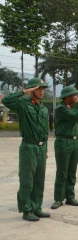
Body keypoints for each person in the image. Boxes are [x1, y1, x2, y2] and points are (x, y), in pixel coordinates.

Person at [3, 78, 50, 221]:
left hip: (41, 147)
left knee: (39, 181)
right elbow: (6, 101)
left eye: (43, 88)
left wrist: (45, 149)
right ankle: (26, 209)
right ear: (31, 90)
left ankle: (37, 207)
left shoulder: (43, 108)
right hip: (28, 147)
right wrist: (24, 92)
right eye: (38, 88)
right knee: (27, 180)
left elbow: (45, 131)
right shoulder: (23, 104)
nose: (42, 91)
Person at [51, 86, 78, 209]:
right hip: (64, 142)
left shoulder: (70, 108)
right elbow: (76, 116)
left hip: (75, 142)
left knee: (72, 171)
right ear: (67, 97)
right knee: (62, 172)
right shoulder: (61, 109)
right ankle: (58, 198)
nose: (77, 97)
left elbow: (77, 112)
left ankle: (70, 196)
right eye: (75, 95)